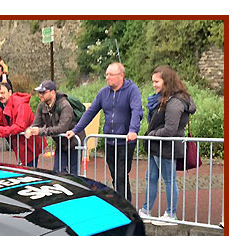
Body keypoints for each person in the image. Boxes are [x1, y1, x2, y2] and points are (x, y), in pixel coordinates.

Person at [67, 62, 143, 202]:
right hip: (109, 141)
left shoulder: (132, 90)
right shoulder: (104, 93)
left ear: (121, 76)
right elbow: (90, 112)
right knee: (115, 175)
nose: (107, 77)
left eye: (111, 75)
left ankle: (126, 205)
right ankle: (120, 202)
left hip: (125, 141)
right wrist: (75, 130)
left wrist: (133, 130)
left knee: (121, 175)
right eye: (106, 74)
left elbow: (136, 111)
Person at [138, 66, 197, 221]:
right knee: (150, 178)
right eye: (153, 81)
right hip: (156, 147)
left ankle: (171, 214)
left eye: (157, 81)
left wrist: (151, 135)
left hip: (166, 147)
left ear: (167, 81)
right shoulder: (165, 99)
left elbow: (170, 129)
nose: (154, 84)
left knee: (169, 180)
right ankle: (146, 210)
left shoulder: (175, 102)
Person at [25, 80, 84, 175]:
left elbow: (62, 128)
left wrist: (40, 131)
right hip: (60, 143)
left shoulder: (65, 105)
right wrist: (30, 129)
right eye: (39, 92)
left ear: (53, 92)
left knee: (74, 175)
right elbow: (36, 123)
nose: (40, 95)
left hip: (74, 143)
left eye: (43, 92)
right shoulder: (41, 106)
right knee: (57, 172)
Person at [0, 82, 45, 167]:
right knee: (24, 169)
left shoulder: (21, 104)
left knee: (30, 172)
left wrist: (1, 130)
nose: (0, 96)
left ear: (10, 92)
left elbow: (20, 126)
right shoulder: (1, 106)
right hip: (20, 145)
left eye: (3, 93)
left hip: (30, 145)